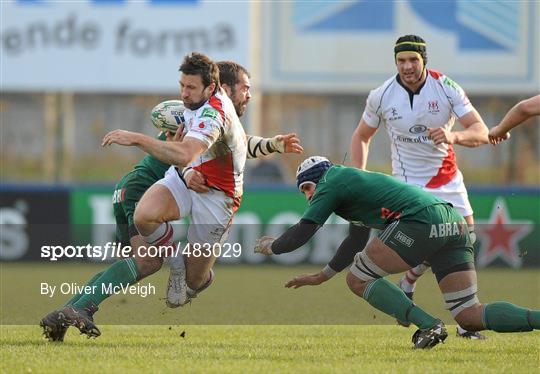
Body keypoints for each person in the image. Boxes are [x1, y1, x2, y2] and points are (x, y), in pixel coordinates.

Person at [40, 54, 302, 341]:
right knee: (148, 262)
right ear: (222, 88)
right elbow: (188, 152)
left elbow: (237, 143)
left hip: (139, 189)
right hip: (143, 189)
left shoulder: (213, 113)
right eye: (244, 88)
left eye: (189, 86)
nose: (248, 95)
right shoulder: (202, 109)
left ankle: (72, 310)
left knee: (165, 274)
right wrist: (175, 162)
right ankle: (84, 305)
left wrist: (273, 144)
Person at [254, 157, 540, 349]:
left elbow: (304, 231)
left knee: (357, 278)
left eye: (306, 187)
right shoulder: (348, 185)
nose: (307, 196)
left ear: (317, 177)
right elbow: (354, 241)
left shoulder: (330, 180)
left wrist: (274, 246)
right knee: (468, 315)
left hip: (420, 220)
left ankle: (429, 325)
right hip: (452, 222)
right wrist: (322, 276)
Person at [349, 35, 489, 338]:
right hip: (408, 188)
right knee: (429, 240)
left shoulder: (446, 87)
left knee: (466, 240)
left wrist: (454, 137)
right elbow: (362, 136)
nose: (407, 66)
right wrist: (358, 176)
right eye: (401, 61)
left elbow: (481, 131)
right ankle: (463, 322)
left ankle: (411, 283)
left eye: (413, 60)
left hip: (447, 181)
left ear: (424, 60)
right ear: (395, 62)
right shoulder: (382, 94)